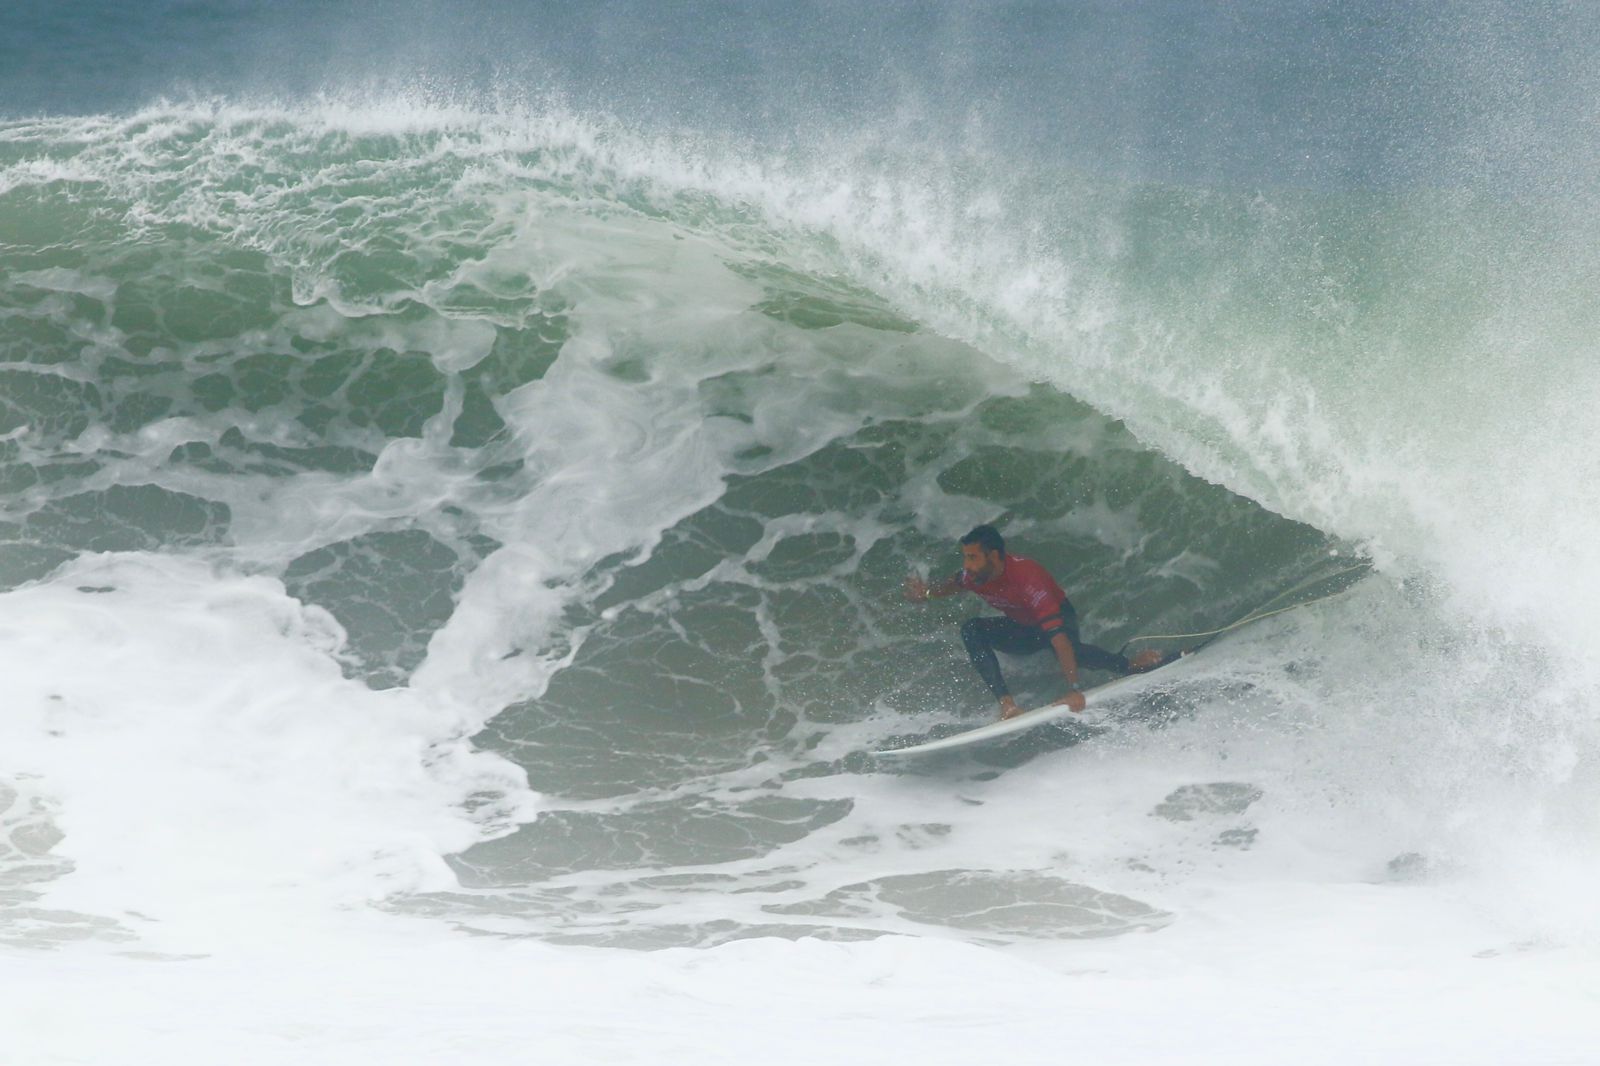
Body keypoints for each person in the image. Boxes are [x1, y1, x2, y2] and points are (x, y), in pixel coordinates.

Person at [904, 524, 1167, 720]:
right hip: (1022, 628)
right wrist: (927, 593)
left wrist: (1074, 689)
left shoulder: (1028, 579)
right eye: (965, 557)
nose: (967, 565)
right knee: (972, 629)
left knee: (1066, 650)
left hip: (1057, 622)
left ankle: (1128, 664)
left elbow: (1059, 639)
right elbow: (954, 583)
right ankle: (1008, 705)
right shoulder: (975, 575)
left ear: (994, 556)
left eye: (972, 557)